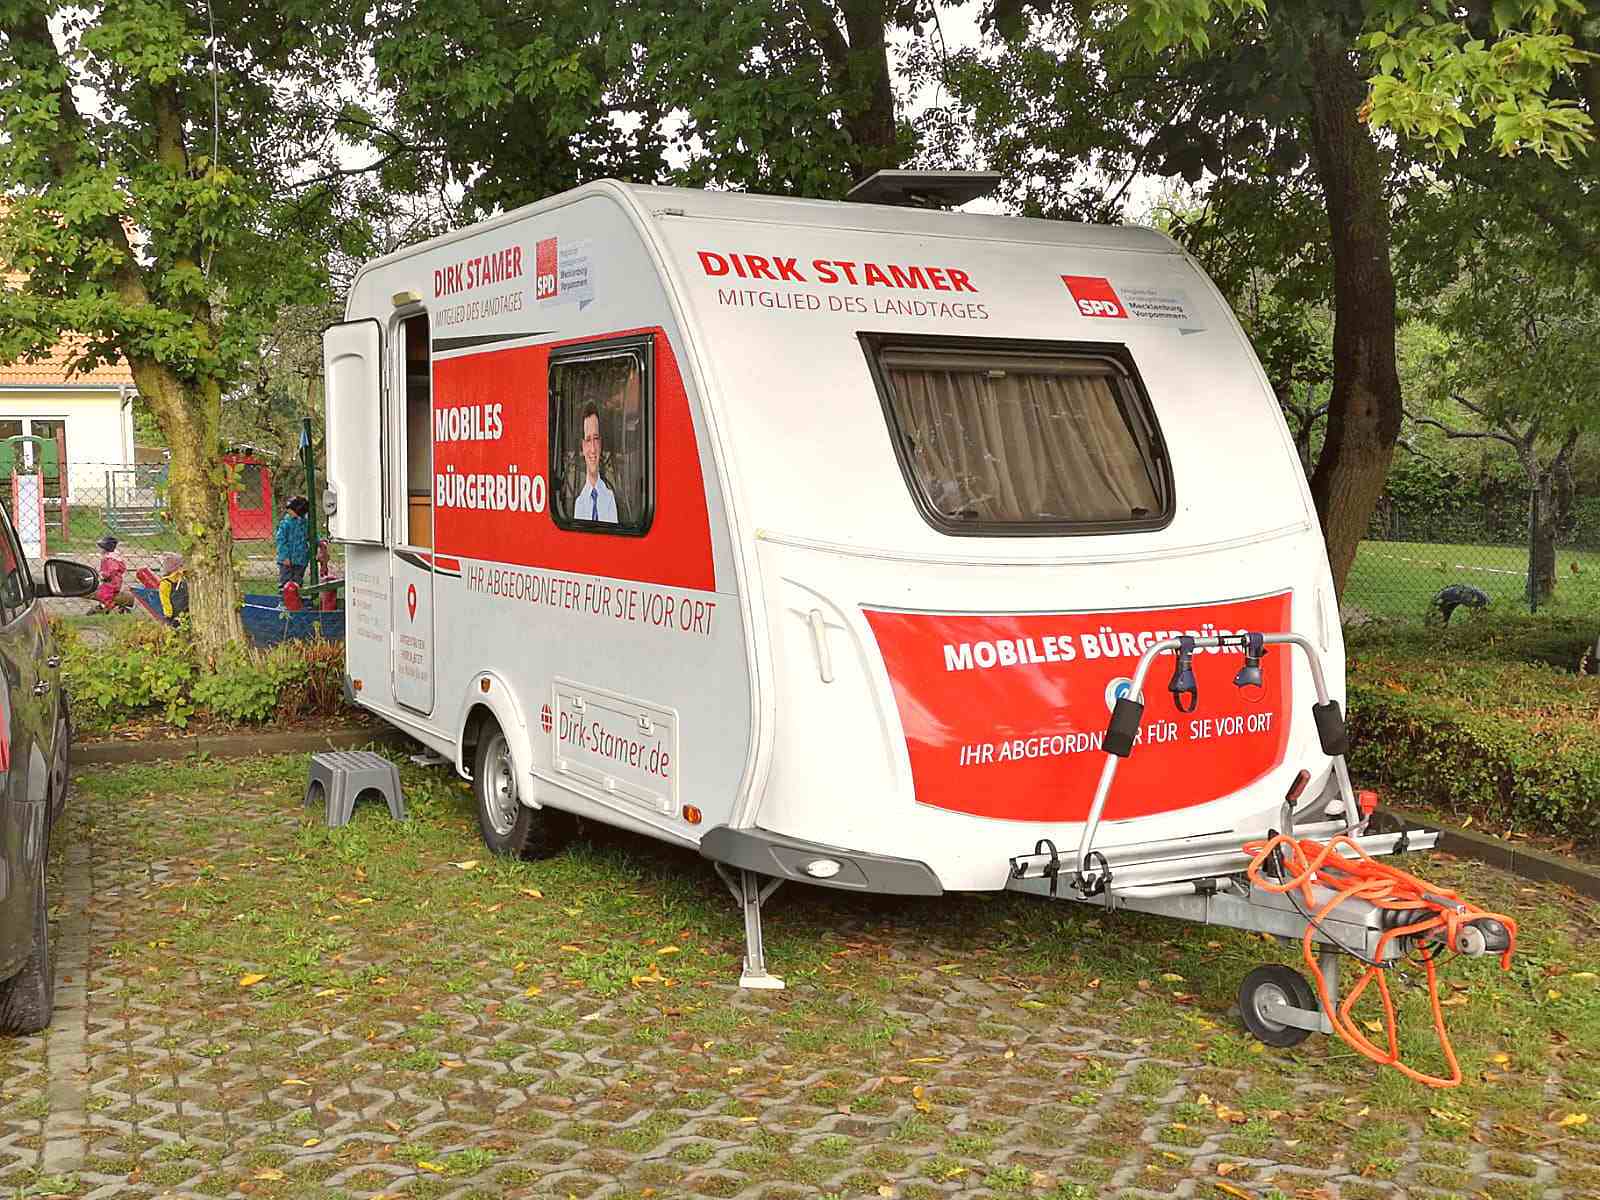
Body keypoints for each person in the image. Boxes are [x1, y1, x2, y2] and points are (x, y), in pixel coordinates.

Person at [576, 403, 618, 524]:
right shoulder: (579, 503)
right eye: (588, 440)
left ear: (601, 443)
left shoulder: (611, 498)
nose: (593, 449)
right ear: (583, 446)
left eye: (596, 438)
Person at [275, 495, 312, 588]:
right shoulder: (286, 523)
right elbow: (281, 540)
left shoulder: (305, 523)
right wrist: (285, 556)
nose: (289, 513)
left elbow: (311, 535)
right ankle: (283, 601)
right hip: (287, 561)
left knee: (297, 582)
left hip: (300, 560)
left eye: (291, 511)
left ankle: (296, 601)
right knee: (285, 583)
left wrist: (320, 542)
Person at [92, 536, 132, 613]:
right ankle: (113, 606)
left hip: (112, 581)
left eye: (101, 548)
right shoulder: (112, 556)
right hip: (114, 581)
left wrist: (104, 575)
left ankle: (108, 607)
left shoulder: (110, 559)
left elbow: (112, 570)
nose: (99, 549)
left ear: (106, 548)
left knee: (104, 594)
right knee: (109, 594)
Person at [157, 552, 188, 623]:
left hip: (179, 613)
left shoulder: (181, 577)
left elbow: (165, 600)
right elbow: (165, 600)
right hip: (178, 614)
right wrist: (169, 615)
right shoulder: (167, 582)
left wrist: (168, 614)